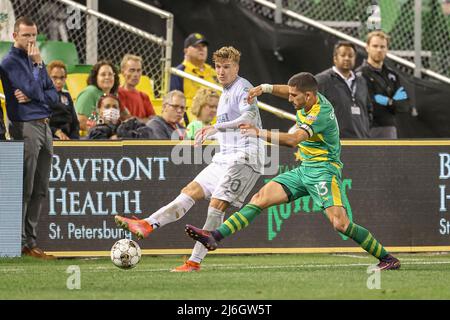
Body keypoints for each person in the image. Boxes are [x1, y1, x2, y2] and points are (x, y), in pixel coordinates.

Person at [185, 72, 401, 271]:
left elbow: (293, 140)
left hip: (323, 172)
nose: (290, 99)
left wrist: (257, 132)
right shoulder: (307, 98)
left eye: (294, 96)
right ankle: (214, 236)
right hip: (304, 169)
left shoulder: (319, 114)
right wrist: (266, 88)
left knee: (341, 224)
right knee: (260, 198)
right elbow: (288, 90)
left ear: (308, 96)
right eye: (290, 94)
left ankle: (387, 258)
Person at [115, 46, 264, 272]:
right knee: (190, 190)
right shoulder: (224, 92)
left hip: (247, 156)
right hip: (225, 157)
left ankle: (194, 261)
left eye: (227, 67)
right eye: (218, 67)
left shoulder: (243, 88)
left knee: (217, 205)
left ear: (237, 68)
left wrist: (215, 127)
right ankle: (147, 224)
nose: (221, 71)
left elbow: (249, 115)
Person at [0, 16, 57, 259]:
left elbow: (54, 97)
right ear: (14, 36)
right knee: (26, 186)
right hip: (25, 125)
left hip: (45, 125)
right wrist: (37, 69)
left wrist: (37, 92)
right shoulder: (10, 62)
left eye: (34, 35)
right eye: (26, 35)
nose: (31, 40)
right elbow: (37, 90)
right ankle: (18, 242)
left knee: (41, 188)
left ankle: (30, 242)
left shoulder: (37, 61)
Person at [356, 31, 411, 139]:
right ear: (367, 47)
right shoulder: (360, 74)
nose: (379, 50)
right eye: (375, 46)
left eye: (382, 46)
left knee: (390, 156)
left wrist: (387, 101)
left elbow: (404, 105)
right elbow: (368, 103)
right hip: (367, 128)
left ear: (387, 49)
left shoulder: (392, 75)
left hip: (389, 128)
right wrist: (393, 101)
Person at [315, 41, 371, 139]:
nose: (347, 58)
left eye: (350, 55)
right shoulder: (322, 80)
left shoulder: (361, 81)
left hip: (361, 140)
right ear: (335, 58)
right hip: (334, 141)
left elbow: (368, 109)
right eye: (343, 55)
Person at [170, 33, 218, 125]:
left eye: (203, 46)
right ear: (186, 50)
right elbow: (175, 103)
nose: (201, 49)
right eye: (196, 46)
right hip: (193, 123)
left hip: (219, 120)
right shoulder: (178, 73)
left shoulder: (214, 73)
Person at [75, 60, 129, 135]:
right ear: (96, 77)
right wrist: (102, 132)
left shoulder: (113, 96)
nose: (107, 77)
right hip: (92, 138)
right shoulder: (89, 92)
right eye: (103, 75)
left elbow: (126, 117)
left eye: (110, 74)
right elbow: (81, 121)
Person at [118, 54, 156, 123]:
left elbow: (153, 120)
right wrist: (144, 120)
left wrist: (135, 120)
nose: (136, 74)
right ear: (123, 72)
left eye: (138, 70)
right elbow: (125, 119)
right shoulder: (117, 93)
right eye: (132, 70)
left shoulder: (144, 96)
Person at [47, 60, 79, 140]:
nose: (59, 81)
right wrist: (55, 131)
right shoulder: (43, 96)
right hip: (50, 137)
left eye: (62, 78)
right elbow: (41, 124)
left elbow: (75, 123)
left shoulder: (67, 96)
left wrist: (74, 140)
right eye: (54, 78)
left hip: (68, 138)